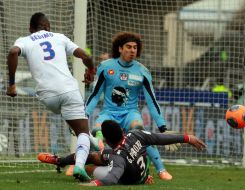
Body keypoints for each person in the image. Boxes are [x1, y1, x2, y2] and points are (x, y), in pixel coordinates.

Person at [6, 12, 96, 182]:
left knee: (77, 125)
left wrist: (12, 84)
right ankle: (79, 166)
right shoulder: (59, 37)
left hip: (47, 97)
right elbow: (87, 56)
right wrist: (91, 71)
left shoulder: (24, 40)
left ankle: (93, 142)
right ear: (48, 26)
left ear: (31, 29)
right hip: (68, 91)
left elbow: (12, 52)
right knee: (82, 131)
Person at [85, 31, 174, 180]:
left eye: (135, 47)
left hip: (130, 112)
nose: (132, 50)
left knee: (139, 131)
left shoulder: (142, 71)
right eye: (128, 47)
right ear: (120, 49)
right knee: (96, 131)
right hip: (109, 112)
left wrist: (162, 126)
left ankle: (161, 169)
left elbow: (152, 100)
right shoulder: (106, 67)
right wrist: (84, 115)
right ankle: (79, 164)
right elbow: (94, 95)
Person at [38, 120, 207, 186]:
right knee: (99, 156)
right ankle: (60, 161)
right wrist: (187, 138)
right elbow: (160, 138)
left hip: (135, 177)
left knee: (91, 165)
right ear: (121, 130)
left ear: (109, 140)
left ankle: (74, 167)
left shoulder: (117, 156)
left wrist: (93, 184)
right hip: (142, 171)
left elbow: (113, 177)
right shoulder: (135, 135)